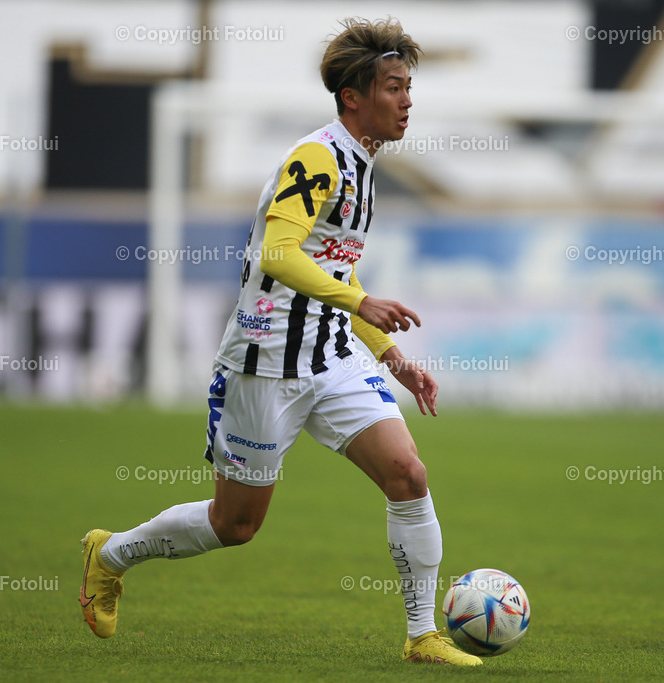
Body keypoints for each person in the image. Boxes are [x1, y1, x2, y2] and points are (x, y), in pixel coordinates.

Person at [78, 17, 481, 666]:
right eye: (395, 87)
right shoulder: (318, 157)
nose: (408, 100)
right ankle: (111, 553)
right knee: (235, 525)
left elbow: (336, 269)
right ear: (354, 96)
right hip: (264, 364)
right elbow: (278, 249)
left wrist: (392, 355)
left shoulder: (364, 166)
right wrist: (359, 299)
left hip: (331, 359)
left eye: (410, 87)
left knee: (408, 473)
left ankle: (420, 633)